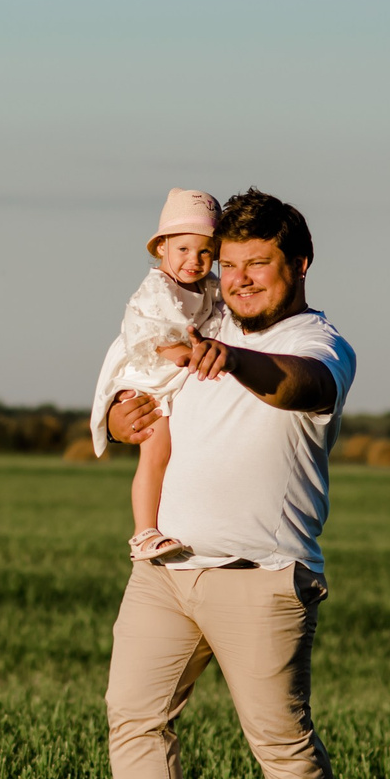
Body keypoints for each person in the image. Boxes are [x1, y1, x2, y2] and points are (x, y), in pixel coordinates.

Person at [97, 188, 354, 779]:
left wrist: (233, 360)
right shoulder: (203, 324)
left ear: (299, 264)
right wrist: (125, 417)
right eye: (229, 262)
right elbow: (144, 401)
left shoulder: (317, 343)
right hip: (166, 569)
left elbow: (300, 385)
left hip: (263, 577)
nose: (237, 276)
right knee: (134, 718)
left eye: (256, 263)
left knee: (278, 739)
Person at [88, 189, 224, 560]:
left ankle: (170, 522)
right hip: (148, 371)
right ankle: (143, 532)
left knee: (172, 449)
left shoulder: (208, 286)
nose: (194, 261)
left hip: (174, 371)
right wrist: (179, 352)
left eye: (205, 252)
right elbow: (145, 330)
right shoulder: (157, 287)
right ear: (161, 247)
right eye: (183, 249)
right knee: (156, 449)